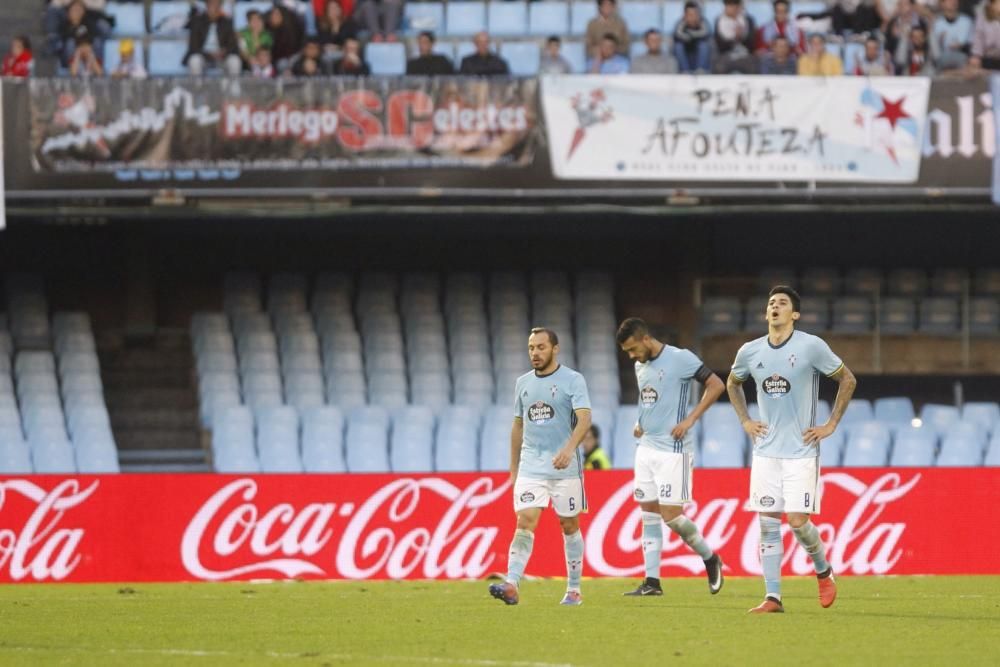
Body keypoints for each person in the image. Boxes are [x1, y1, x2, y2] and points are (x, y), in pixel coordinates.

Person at [727, 286, 857, 614]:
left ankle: (823, 570)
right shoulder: (750, 351)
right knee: (767, 523)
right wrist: (745, 420)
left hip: (801, 451)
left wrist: (830, 424)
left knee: (798, 522)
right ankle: (773, 597)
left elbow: (848, 379)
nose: (775, 307)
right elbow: (732, 382)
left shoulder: (811, 346)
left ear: (794, 314)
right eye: (771, 303)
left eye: (782, 303)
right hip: (766, 452)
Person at [615, 318, 725, 597]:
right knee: (648, 514)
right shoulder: (640, 365)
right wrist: (640, 421)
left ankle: (710, 557)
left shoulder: (680, 358)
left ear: (645, 339)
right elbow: (648, 398)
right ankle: (652, 583)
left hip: (674, 450)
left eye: (631, 349)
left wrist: (690, 420)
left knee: (672, 517)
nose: (631, 356)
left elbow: (716, 385)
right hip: (646, 447)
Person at [489, 328, 592, 607]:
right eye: (531, 348)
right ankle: (512, 583)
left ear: (555, 349)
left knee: (569, 525)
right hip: (531, 466)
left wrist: (569, 450)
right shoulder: (522, 383)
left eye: (541, 347)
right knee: (524, 522)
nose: (535, 353)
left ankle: (573, 589)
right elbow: (518, 425)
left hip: (565, 469)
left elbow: (585, 419)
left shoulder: (573, 380)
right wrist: (514, 468)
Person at [184, 0, 242, 77]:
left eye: (217, 5)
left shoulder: (227, 22)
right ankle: (197, 87)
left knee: (235, 60)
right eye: (212, 4)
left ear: (220, 7)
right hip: (203, 56)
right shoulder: (197, 21)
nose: (214, 8)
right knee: (194, 60)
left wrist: (223, 52)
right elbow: (193, 46)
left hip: (222, 57)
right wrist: (208, 54)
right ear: (207, 6)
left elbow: (233, 45)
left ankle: (233, 88)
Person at [714, 0, 758, 73]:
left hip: (745, 55)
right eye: (729, 5)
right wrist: (734, 38)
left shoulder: (748, 20)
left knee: (753, 66)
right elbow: (719, 46)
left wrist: (741, 36)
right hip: (726, 55)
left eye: (735, 5)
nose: (732, 8)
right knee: (719, 67)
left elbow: (751, 44)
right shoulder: (719, 21)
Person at [931, 0, 973, 71]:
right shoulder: (936, 23)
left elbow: (971, 46)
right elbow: (933, 50)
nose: (953, 1)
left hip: (963, 59)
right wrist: (940, 41)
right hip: (941, 61)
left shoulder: (967, 21)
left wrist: (962, 46)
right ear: (942, 3)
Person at [673, 2, 713, 72]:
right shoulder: (680, 24)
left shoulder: (704, 23)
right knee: (678, 47)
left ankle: (700, 70)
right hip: (686, 56)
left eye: (695, 14)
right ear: (685, 15)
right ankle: (685, 71)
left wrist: (691, 34)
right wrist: (689, 37)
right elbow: (677, 36)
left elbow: (706, 35)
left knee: (704, 45)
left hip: (699, 57)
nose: (693, 17)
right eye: (690, 14)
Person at [268, 4, 306, 71]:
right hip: (274, 61)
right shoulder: (268, 30)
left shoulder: (291, 31)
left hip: (293, 58)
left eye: (277, 14)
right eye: (272, 14)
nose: (274, 16)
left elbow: (297, 48)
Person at [969, 0, 1000, 71]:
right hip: (988, 59)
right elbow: (978, 37)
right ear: (992, 4)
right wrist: (976, 55)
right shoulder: (982, 17)